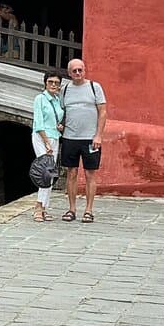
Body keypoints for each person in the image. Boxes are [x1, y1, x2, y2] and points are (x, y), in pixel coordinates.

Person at [59, 58, 107, 223]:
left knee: (90, 174)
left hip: (90, 139)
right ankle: (71, 209)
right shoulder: (65, 90)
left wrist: (99, 135)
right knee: (71, 173)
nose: (78, 73)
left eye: (80, 70)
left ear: (85, 70)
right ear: (69, 73)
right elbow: (63, 112)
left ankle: (89, 210)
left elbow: (103, 112)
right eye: (74, 71)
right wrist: (61, 125)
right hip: (70, 138)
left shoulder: (95, 87)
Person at [31, 71, 65, 221]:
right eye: (50, 82)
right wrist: (46, 142)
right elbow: (38, 123)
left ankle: (44, 207)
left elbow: (58, 119)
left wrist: (60, 127)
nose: (53, 85)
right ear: (45, 83)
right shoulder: (40, 98)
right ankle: (38, 207)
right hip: (41, 137)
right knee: (44, 172)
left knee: (50, 173)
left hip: (55, 137)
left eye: (56, 83)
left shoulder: (58, 100)